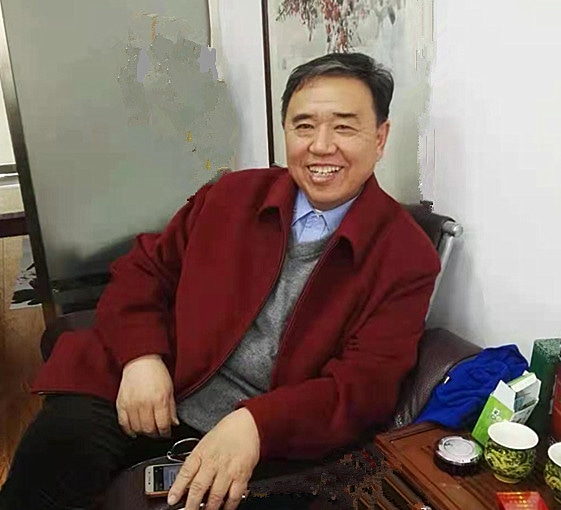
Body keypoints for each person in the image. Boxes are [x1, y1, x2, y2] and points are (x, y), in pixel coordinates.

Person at [0, 52, 440, 510]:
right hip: (164, 382)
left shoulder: (406, 257)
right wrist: (141, 356)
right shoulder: (232, 195)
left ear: (380, 137)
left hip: (267, 436)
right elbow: (143, 269)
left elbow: (363, 388)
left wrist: (256, 424)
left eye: (344, 127)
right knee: (51, 457)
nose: (321, 146)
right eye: (304, 126)